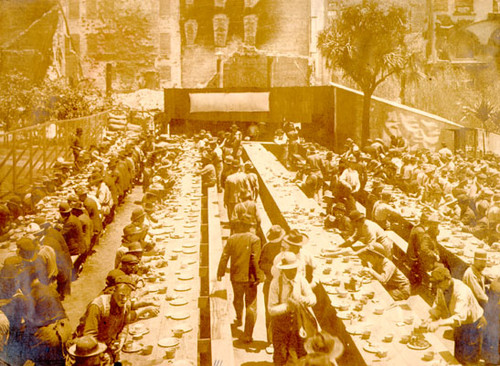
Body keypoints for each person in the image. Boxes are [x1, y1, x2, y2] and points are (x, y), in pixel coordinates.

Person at [217, 214, 263, 344]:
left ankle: (238, 318)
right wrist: (258, 275)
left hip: (236, 276)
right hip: (250, 278)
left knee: (237, 299)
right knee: (251, 305)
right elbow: (254, 258)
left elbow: (224, 256)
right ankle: (248, 335)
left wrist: (220, 271)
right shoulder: (255, 239)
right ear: (249, 227)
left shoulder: (232, 239)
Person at [426, 266, 485, 365]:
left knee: (469, 360)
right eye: (435, 283)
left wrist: (438, 323)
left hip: (473, 325)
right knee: (457, 359)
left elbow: (459, 318)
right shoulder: (441, 287)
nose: (437, 286)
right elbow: (439, 305)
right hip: (460, 326)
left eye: (438, 283)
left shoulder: (461, 291)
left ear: (447, 279)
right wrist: (431, 318)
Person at [268, 252, 317, 366]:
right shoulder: (275, 283)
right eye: (289, 270)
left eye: (294, 269)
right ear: (283, 270)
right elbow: (271, 309)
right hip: (281, 326)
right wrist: (287, 306)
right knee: (281, 356)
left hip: (298, 325)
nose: (293, 272)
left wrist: (304, 300)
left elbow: (313, 298)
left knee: (298, 356)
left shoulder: (300, 280)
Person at [259, 225, 286, 354]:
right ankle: (271, 341)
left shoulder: (287, 247)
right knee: (271, 312)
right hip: (271, 283)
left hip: (285, 284)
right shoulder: (267, 247)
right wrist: (273, 270)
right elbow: (261, 263)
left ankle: (282, 341)